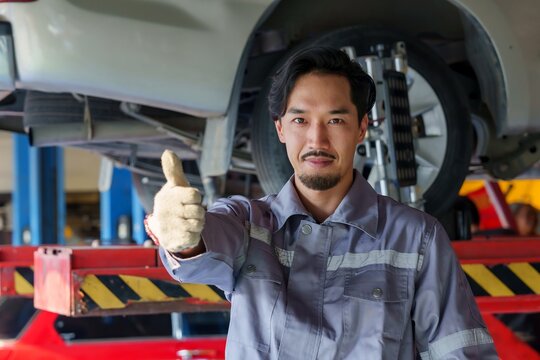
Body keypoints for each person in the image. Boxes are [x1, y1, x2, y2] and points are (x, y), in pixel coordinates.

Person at [145, 47, 498, 359]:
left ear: (361, 129)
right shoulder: (249, 224)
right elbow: (206, 249)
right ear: (280, 129)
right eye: (300, 120)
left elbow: (459, 350)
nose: (317, 139)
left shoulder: (416, 238)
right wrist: (186, 238)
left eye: (335, 120)